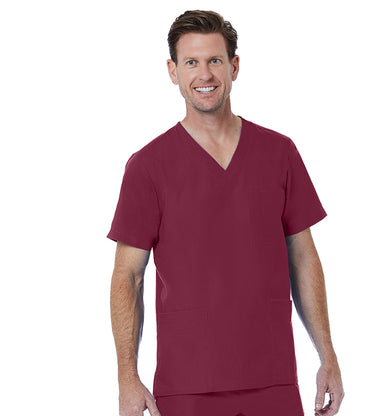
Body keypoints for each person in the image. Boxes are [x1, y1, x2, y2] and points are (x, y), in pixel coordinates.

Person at [108, 9, 344, 416]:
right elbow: (128, 276)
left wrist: (328, 356)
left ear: (234, 67)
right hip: (187, 385)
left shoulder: (279, 153)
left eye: (215, 60)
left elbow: (303, 258)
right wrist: (127, 378)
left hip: (273, 377)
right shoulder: (148, 166)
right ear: (173, 71)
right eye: (191, 62)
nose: (205, 74)